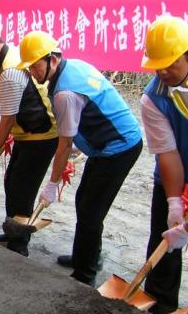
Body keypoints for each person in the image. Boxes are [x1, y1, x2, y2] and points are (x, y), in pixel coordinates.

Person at [17, 30, 143, 286]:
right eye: (29, 67)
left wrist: (51, 184)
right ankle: (86, 256)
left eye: (35, 65)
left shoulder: (65, 92)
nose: (33, 72)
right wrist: (81, 147)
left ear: (52, 58)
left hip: (119, 147)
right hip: (104, 145)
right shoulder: (72, 66)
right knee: (84, 200)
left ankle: (85, 273)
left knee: (90, 210)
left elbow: (63, 144)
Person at [0, 17, 59, 255]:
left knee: (22, 188)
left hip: (40, 135)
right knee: (12, 182)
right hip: (26, 133)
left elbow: (6, 119)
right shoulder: (6, 61)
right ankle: (12, 230)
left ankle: (19, 245)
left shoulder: (9, 71)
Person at [141, 17, 188, 314]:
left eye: (170, 63)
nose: (163, 71)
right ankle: (159, 308)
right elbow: (167, 154)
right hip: (179, 173)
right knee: (164, 241)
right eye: (157, 65)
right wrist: (174, 202)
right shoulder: (153, 96)